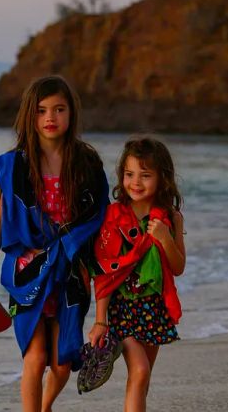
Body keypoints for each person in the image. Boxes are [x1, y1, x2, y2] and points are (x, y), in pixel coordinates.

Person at [0, 75, 108, 412]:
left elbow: (101, 223)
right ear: (29, 115)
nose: (50, 117)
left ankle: (44, 407)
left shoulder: (87, 163)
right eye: (42, 110)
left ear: (71, 113)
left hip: (72, 274)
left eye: (59, 109)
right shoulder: (15, 166)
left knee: (62, 361)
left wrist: (102, 286)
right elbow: (0, 221)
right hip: (27, 273)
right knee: (35, 357)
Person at [88, 137, 185, 412]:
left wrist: (165, 237)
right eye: (129, 174)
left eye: (145, 175)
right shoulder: (114, 215)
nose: (136, 182)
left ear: (162, 178)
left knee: (141, 378)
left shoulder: (171, 217)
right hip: (123, 308)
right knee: (139, 371)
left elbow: (178, 267)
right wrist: (100, 321)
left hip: (154, 308)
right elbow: (105, 272)